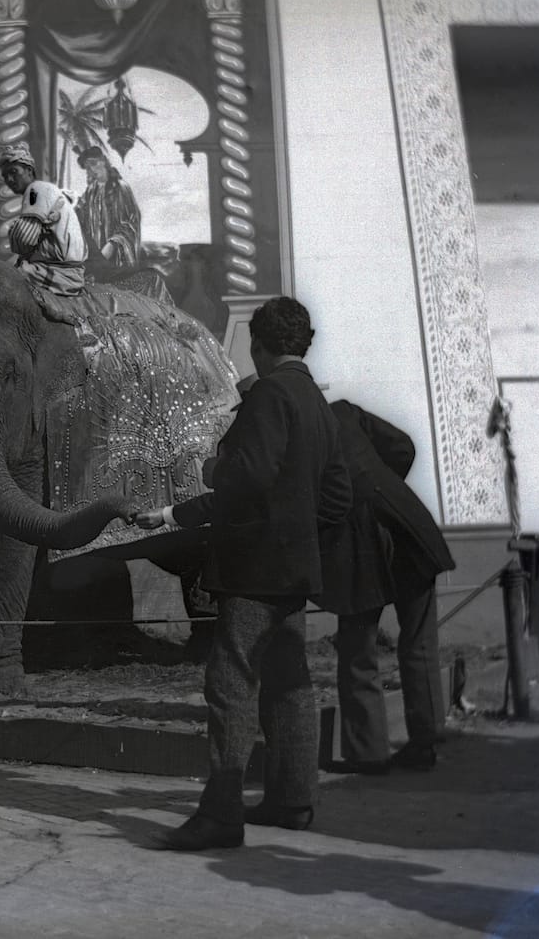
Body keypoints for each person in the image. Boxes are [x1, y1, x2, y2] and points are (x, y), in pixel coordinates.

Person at [133, 296, 352, 850]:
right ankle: (293, 800)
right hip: (294, 570)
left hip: (254, 567)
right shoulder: (316, 402)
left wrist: (200, 483)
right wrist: (297, 534)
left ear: (258, 343)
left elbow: (246, 478)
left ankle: (221, 816)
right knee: (289, 684)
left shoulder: (270, 394)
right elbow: (338, 497)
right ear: (304, 342)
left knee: (231, 685)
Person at [315, 400, 457, 775]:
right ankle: (425, 743)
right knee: (419, 641)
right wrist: (382, 484)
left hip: (357, 543)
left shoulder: (292, 433)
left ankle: (368, 753)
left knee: (357, 647)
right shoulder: (343, 411)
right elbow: (403, 447)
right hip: (404, 524)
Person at [0, 144, 87, 295]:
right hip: (67, 271)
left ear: (29, 171)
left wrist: (14, 230)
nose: (9, 179)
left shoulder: (35, 190)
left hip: (61, 274)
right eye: (5, 176)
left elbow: (24, 241)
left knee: (1, 279)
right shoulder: (47, 190)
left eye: (14, 172)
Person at [74, 146, 141, 268]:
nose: (91, 169)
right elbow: (78, 217)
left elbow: (132, 222)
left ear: (104, 160)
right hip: (96, 258)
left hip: (118, 257)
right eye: (87, 167)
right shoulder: (90, 192)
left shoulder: (121, 188)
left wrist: (113, 244)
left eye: (94, 163)